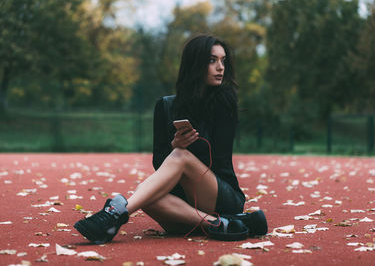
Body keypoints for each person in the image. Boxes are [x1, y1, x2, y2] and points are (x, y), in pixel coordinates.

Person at [74, 34, 267, 244]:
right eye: (212, 60)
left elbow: (219, 162)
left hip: (221, 196)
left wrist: (182, 151)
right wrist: (173, 147)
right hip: (184, 207)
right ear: (195, 63)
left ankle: (115, 214)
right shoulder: (165, 107)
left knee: (178, 158)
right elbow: (159, 163)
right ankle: (217, 224)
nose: (220, 67)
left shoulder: (224, 104)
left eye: (223, 60)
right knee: (145, 196)